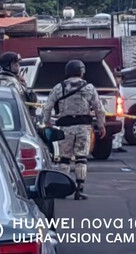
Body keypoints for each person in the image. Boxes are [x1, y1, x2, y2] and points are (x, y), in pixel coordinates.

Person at [41, 59, 106, 200]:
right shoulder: (89, 88)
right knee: (81, 158)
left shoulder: (59, 87)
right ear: (81, 71)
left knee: (64, 159)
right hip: (83, 127)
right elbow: (99, 109)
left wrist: (46, 122)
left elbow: (48, 105)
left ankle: (62, 188)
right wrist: (101, 125)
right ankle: (79, 189)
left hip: (65, 128)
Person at [112, 68, 127, 154]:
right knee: (116, 129)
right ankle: (114, 144)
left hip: (121, 110)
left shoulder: (121, 88)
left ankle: (118, 144)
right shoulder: (113, 87)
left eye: (120, 77)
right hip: (115, 111)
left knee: (121, 128)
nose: (119, 79)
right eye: (118, 77)